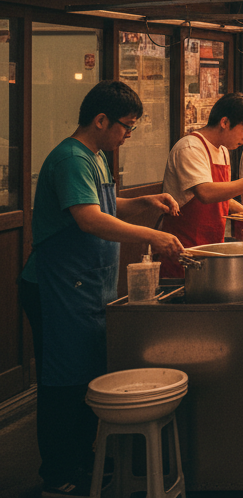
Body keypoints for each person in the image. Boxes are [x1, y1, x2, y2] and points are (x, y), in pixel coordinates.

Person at [18, 81, 184, 497]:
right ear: (101, 120)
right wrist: (151, 236)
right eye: (125, 127)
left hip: (86, 288)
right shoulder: (71, 158)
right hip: (57, 286)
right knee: (63, 382)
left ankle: (83, 458)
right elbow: (89, 219)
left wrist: (149, 201)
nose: (128, 135)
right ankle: (58, 472)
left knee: (87, 374)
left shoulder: (95, 157)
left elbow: (107, 207)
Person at [160, 93, 243, 277]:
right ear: (224, 122)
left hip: (212, 248)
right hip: (184, 248)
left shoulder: (223, 150)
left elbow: (223, 197)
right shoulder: (191, 147)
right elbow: (206, 193)